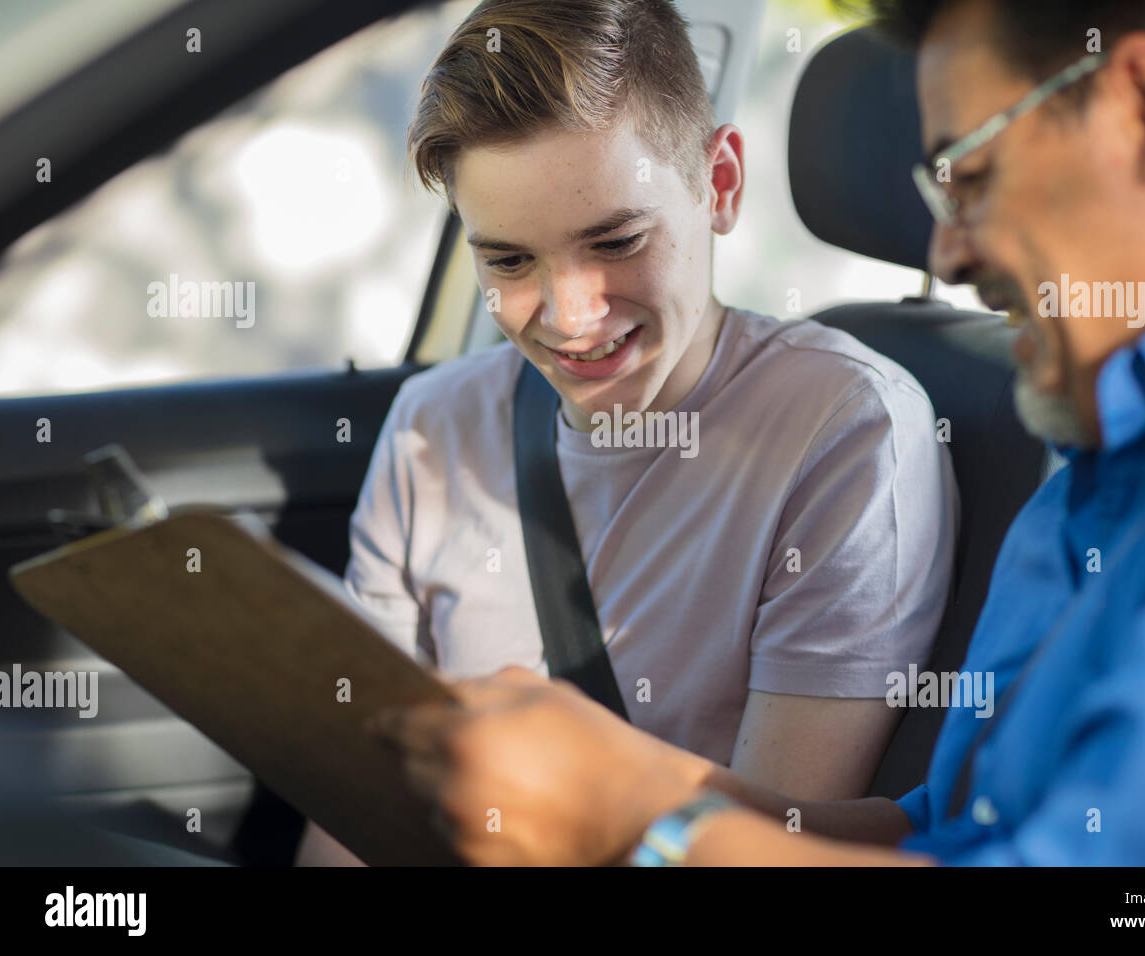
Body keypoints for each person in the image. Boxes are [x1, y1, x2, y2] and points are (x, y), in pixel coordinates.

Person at [371, 0, 1145, 866]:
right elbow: (941, 831)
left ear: (1141, 107)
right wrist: (640, 781)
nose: (947, 252)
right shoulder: (1102, 472)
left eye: (969, 176)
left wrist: (642, 823)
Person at [297, 0, 957, 863]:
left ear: (718, 185)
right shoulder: (433, 427)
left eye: (615, 240)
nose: (571, 317)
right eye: (507, 260)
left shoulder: (847, 432)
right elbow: (350, 812)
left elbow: (774, 846)